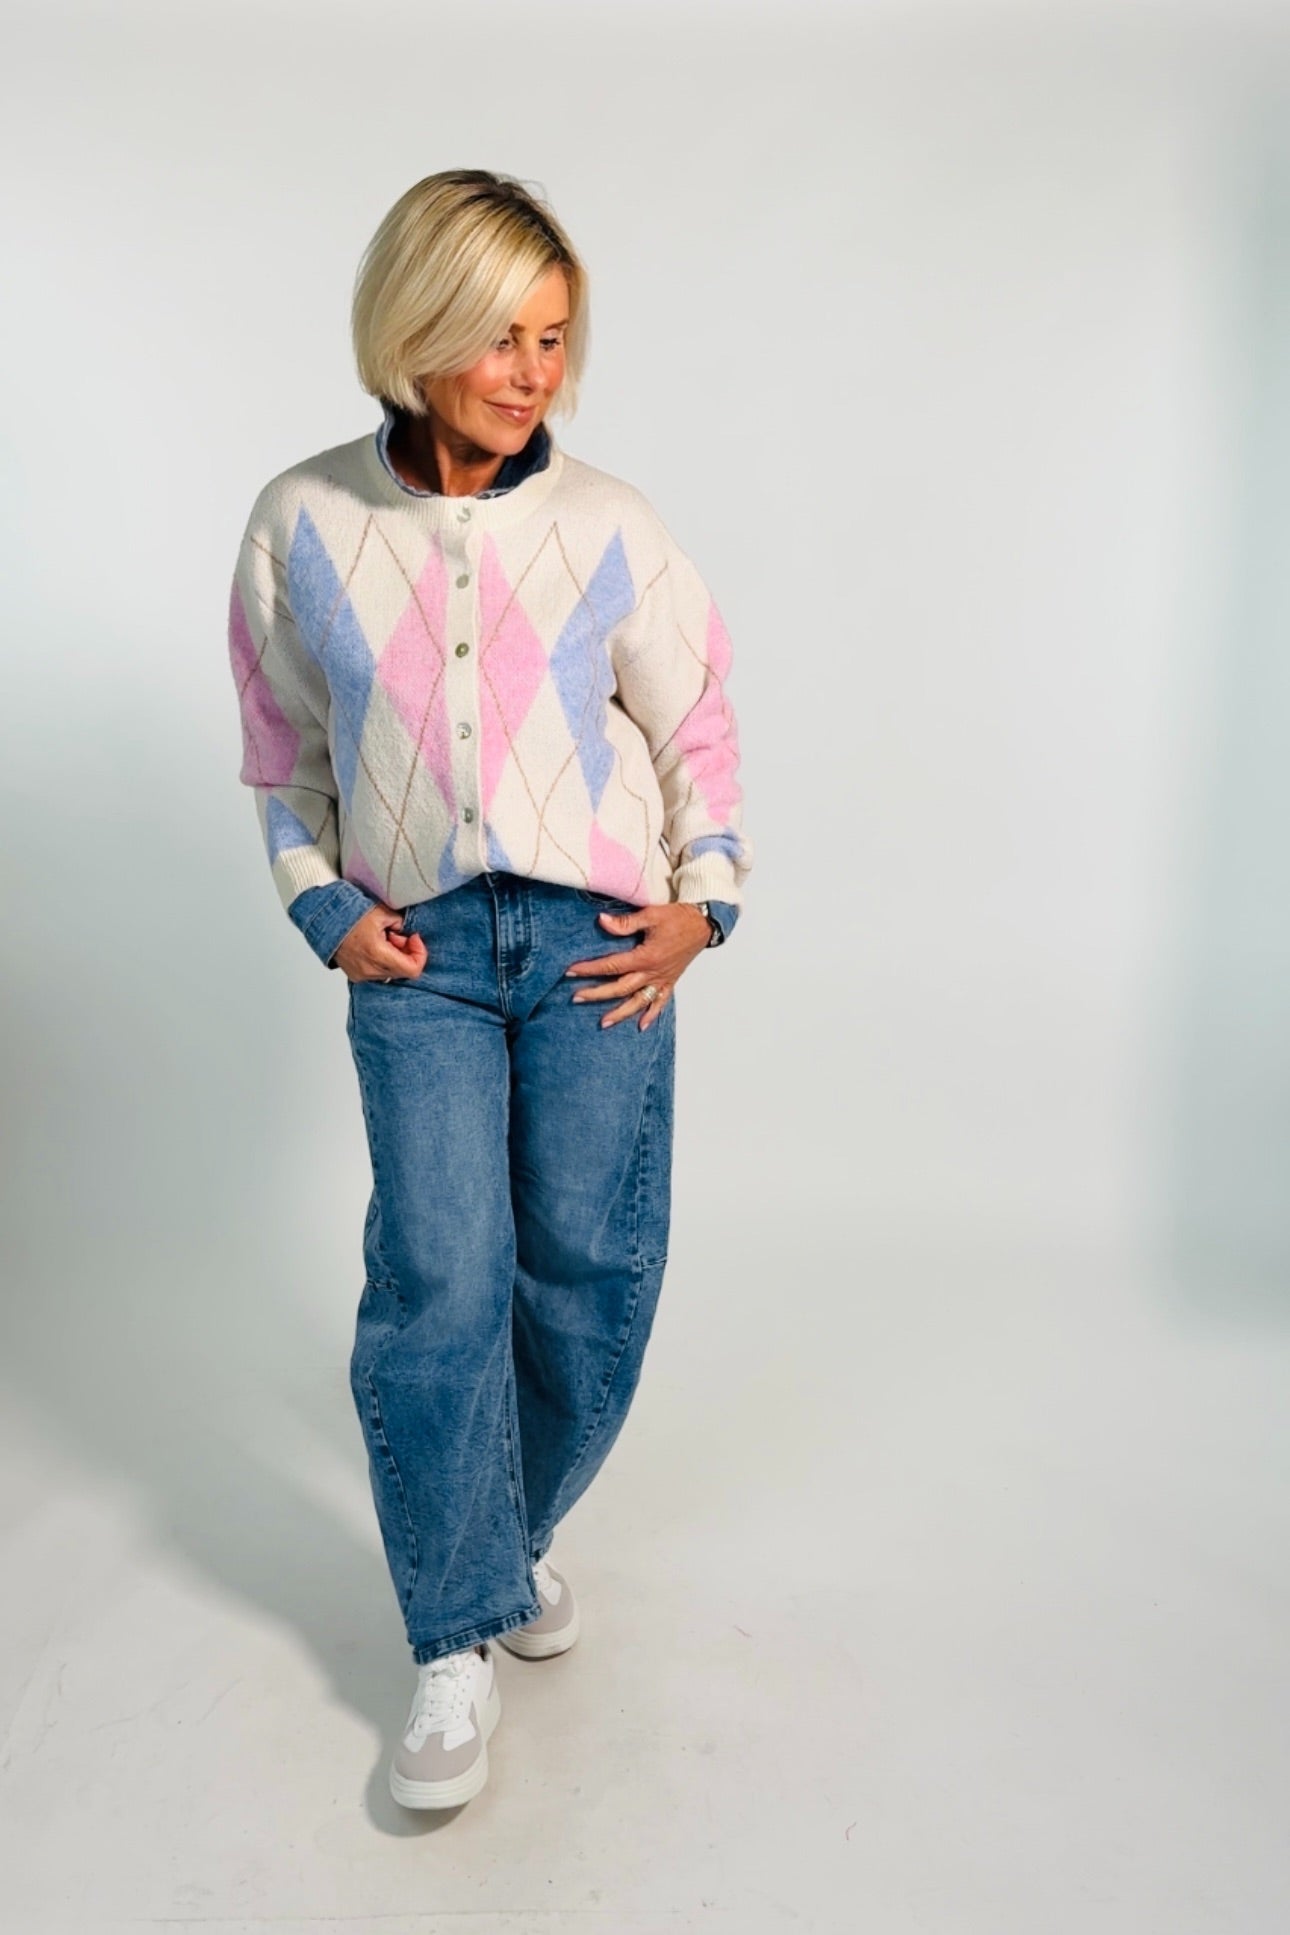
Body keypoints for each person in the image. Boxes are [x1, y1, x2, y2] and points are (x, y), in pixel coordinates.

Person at [225, 168, 753, 1812]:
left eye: (553, 337)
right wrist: (320, 905)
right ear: (415, 329)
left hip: (600, 944)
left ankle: (500, 1537)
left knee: (588, 1271)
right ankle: (454, 1629)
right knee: (439, 1279)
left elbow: (695, 725)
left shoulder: (611, 526)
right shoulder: (302, 523)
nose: (533, 372)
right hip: (420, 957)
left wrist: (703, 906)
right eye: (499, 335)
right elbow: (282, 756)